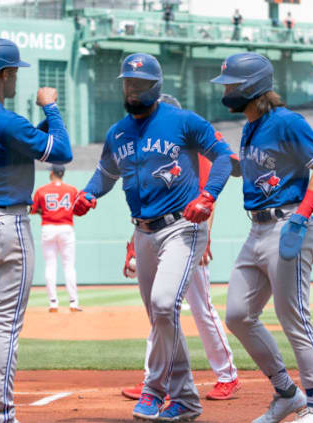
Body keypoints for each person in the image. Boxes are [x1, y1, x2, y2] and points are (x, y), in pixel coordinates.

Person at [73, 53, 234, 421]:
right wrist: (88, 194)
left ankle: (158, 390)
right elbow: (105, 173)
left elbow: (223, 156)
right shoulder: (117, 132)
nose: (132, 89)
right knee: (159, 317)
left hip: (183, 226)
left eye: (140, 84)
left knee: (164, 305)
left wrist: (208, 196)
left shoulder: (182, 121)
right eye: (128, 82)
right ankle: (181, 399)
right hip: (143, 231)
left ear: (156, 86)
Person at [211, 52, 313, 423]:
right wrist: (222, 158)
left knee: (293, 317)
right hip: (257, 228)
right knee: (237, 313)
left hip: (289, 225)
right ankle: (287, 393)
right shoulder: (250, 126)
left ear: (251, 87)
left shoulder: (287, 122)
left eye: (232, 84)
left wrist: (302, 216)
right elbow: (254, 170)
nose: (227, 90)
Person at [0, 38, 72, 423]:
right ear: (4, 74)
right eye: (14, 72)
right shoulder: (5, 119)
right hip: (3, 223)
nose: (16, 78)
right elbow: (62, 152)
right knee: (5, 323)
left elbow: (17, 139)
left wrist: (39, 123)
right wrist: (51, 106)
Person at [119, 93, 241, 404]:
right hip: (157, 237)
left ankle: (228, 375)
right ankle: (153, 380)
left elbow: (207, 198)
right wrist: (134, 246)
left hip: (188, 237)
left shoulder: (193, 150)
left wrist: (205, 240)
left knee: (201, 310)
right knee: (160, 310)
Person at [31, 164, 80, 313]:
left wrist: (44, 211)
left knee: (50, 266)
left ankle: (53, 302)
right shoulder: (71, 190)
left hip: (48, 228)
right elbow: (77, 209)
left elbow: (33, 210)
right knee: (69, 266)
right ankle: (73, 302)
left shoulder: (42, 190)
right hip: (66, 228)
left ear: (52, 173)